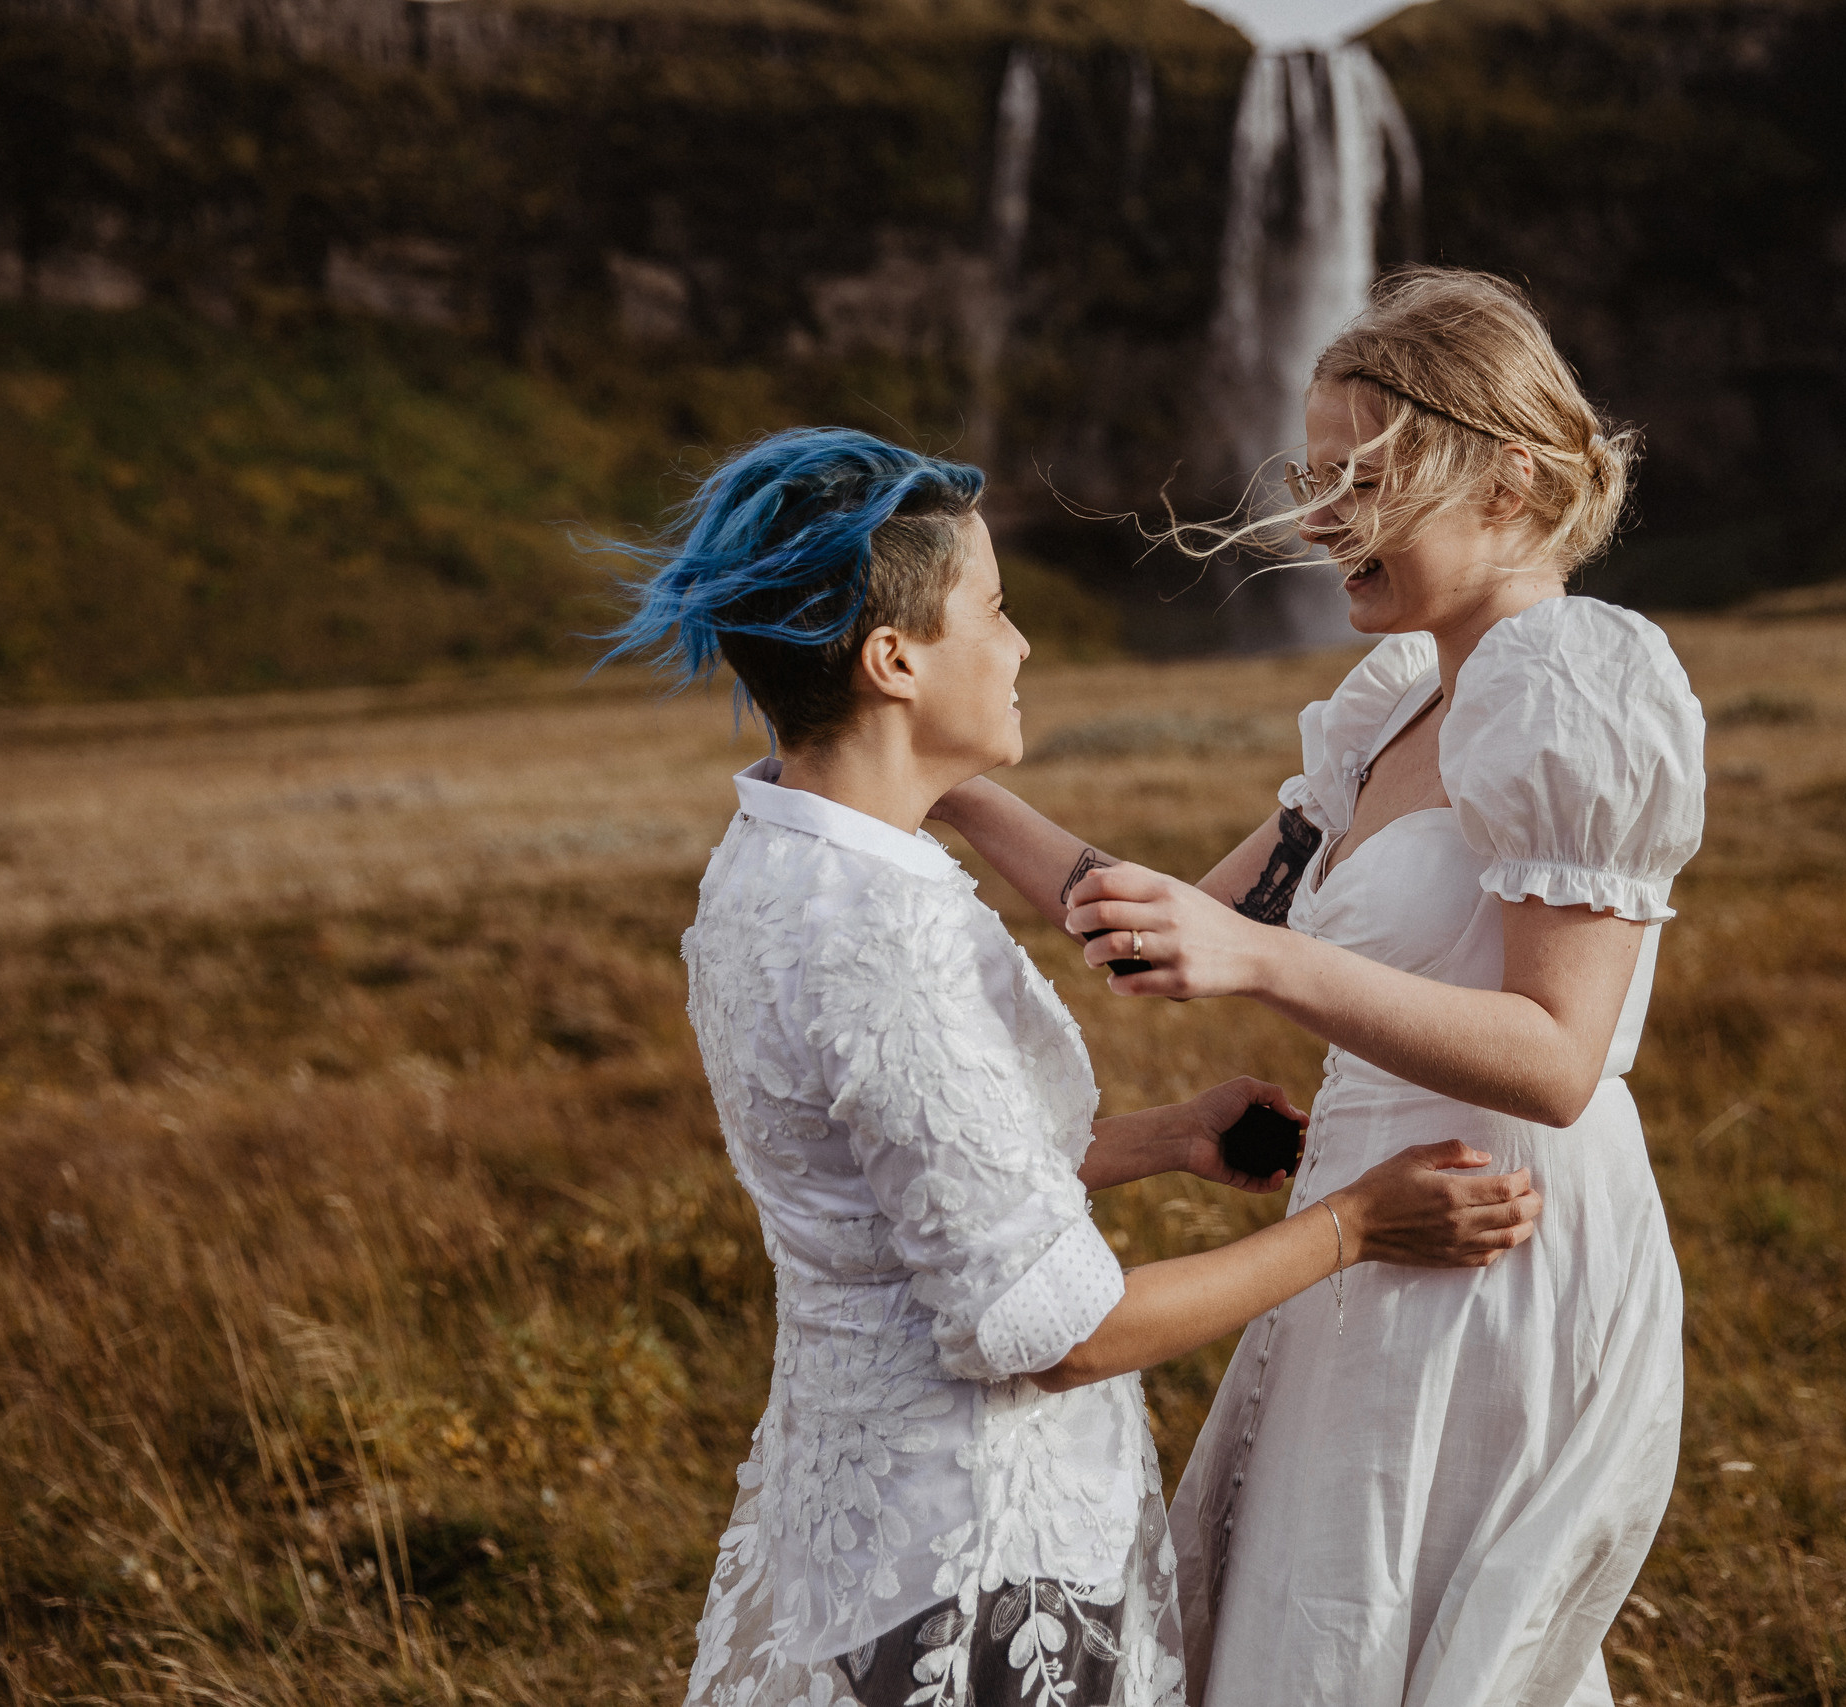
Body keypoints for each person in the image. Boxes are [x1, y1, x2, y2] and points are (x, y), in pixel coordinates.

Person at [600, 426, 1547, 1707]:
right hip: (979, 1555)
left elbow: (916, 1188)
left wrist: (1160, 1139)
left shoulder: (772, 865)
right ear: (892, 661)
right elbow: (1056, 1333)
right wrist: (1358, 1226)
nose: (1022, 644)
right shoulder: (878, 934)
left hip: (869, 1524)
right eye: (992, 611)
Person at [930, 269, 1707, 1707]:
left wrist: (1268, 960)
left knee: (1409, 1641)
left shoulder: (1575, 684)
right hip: (1368, 1210)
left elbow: (1559, 1054)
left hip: (1500, 1230)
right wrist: (934, 777)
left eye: (1366, 478)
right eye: (1310, 477)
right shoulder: (1391, 701)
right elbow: (1155, 928)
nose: (1318, 516)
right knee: (1320, 1618)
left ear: (1510, 480)